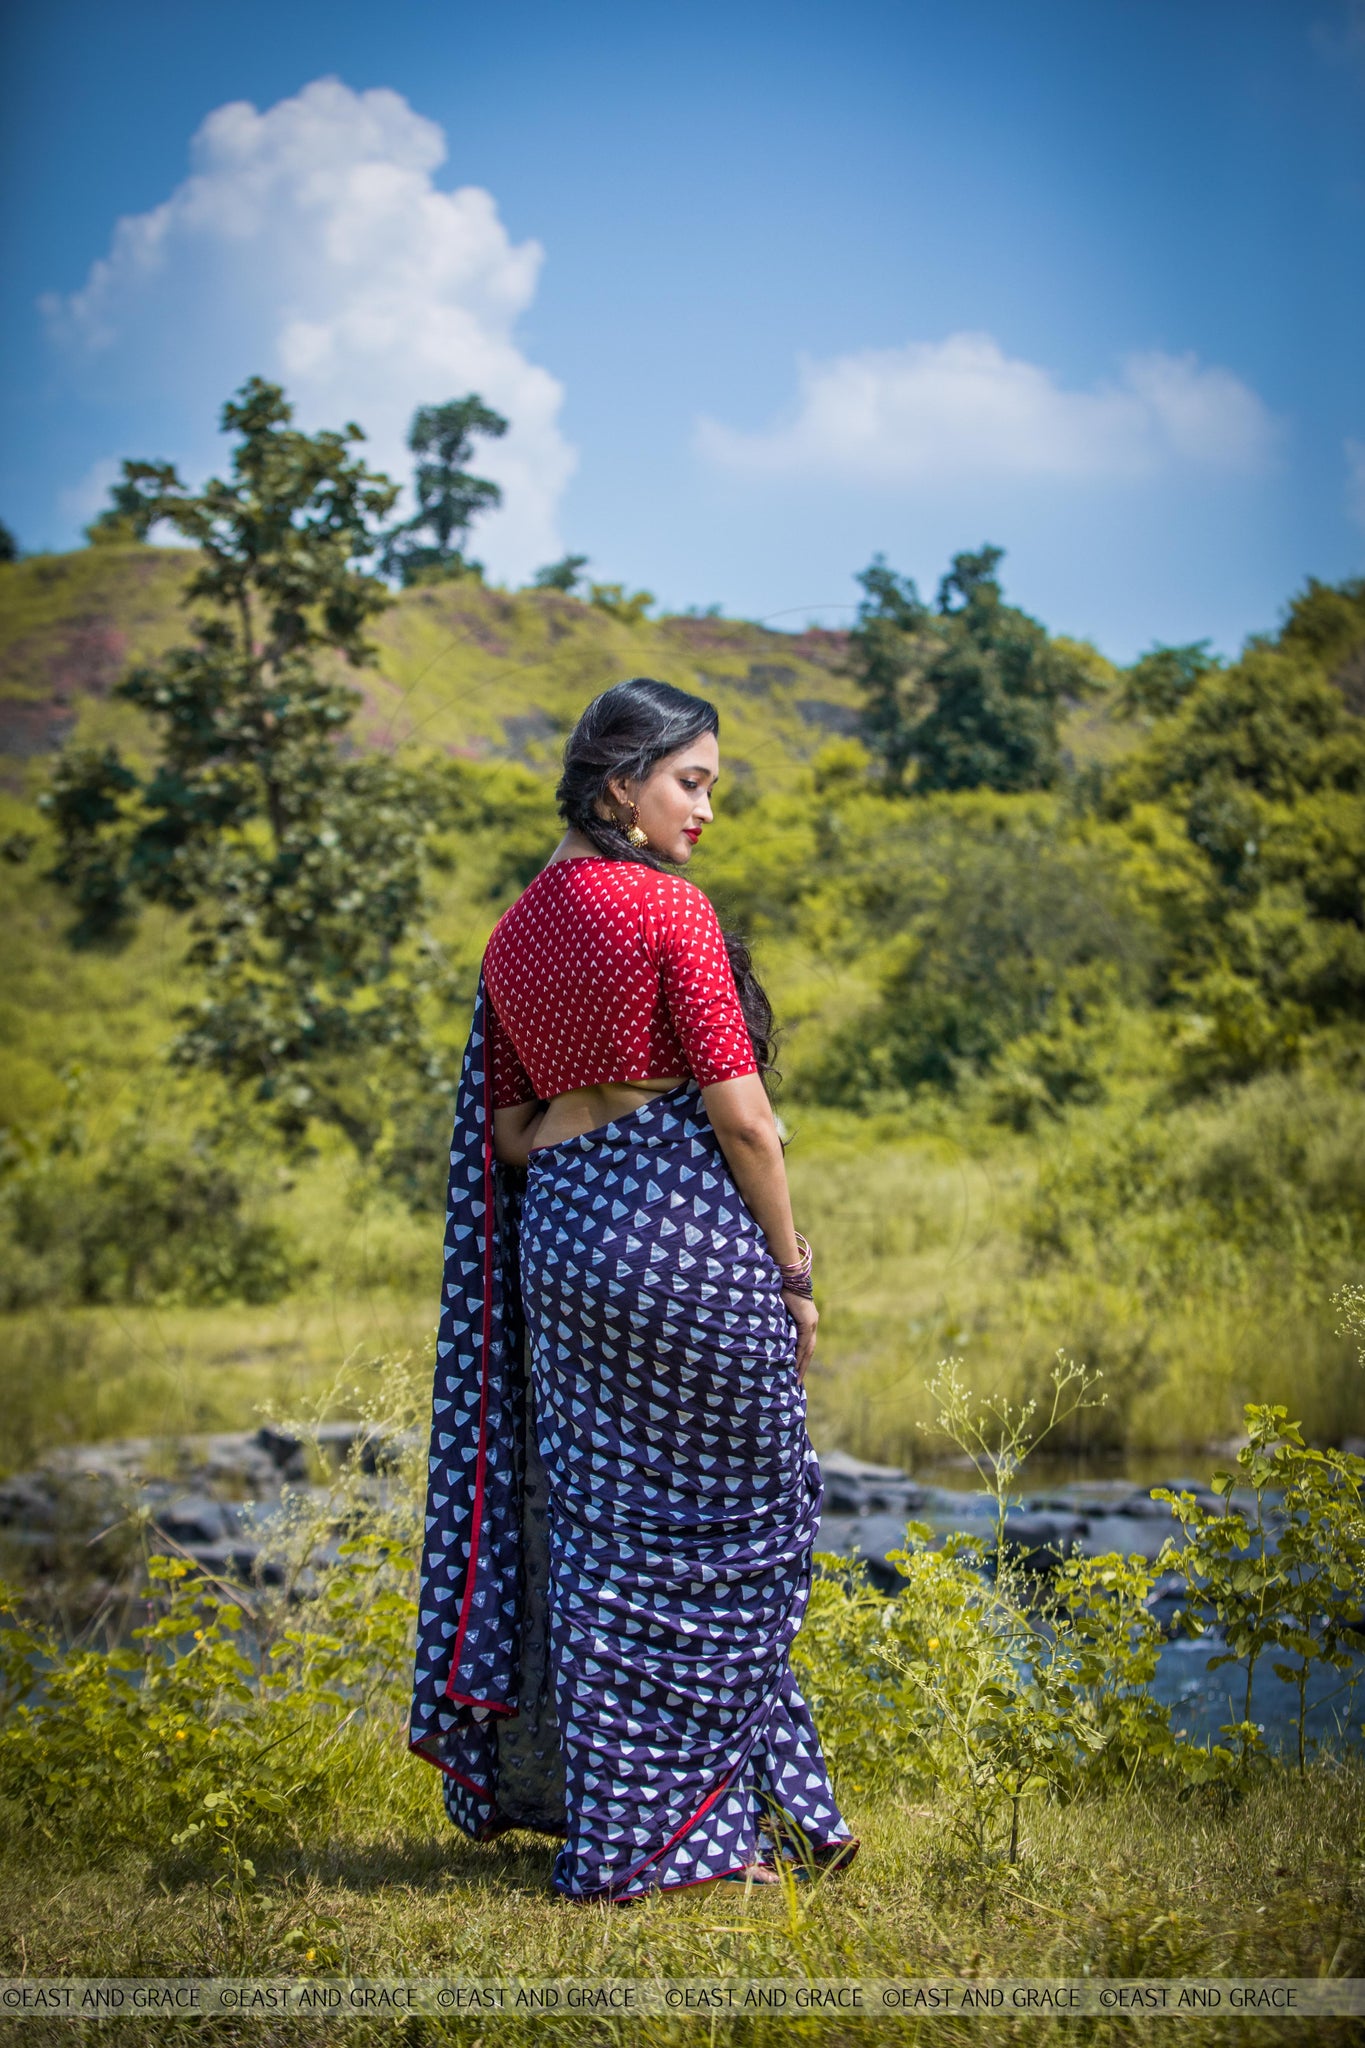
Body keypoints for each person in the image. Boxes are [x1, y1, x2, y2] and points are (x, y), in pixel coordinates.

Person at [409, 676, 856, 1902]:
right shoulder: (668, 910)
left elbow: (503, 1133)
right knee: (744, 1531)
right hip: (684, 1241)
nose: (707, 809)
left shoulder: (512, 932)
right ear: (622, 784)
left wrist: (587, 1128)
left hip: (564, 1245)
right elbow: (747, 1122)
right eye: (691, 781)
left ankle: (669, 1827)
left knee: (608, 1541)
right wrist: (794, 1271)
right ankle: (696, 1837)